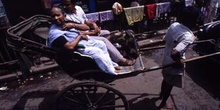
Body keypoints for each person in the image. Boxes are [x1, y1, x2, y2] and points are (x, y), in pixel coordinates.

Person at [47, 5, 121, 75]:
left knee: (101, 44)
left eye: (58, 15)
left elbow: (85, 27)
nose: (56, 18)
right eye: (53, 16)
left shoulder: (65, 25)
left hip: (82, 42)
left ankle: (111, 64)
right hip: (76, 49)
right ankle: (109, 71)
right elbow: (70, 47)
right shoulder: (55, 32)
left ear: (64, 16)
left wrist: (82, 32)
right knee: (97, 51)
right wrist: (80, 37)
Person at [60, 0, 136, 66]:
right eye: (63, 5)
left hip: (89, 31)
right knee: (104, 40)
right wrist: (92, 32)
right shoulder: (65, 16)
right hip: (83, 37)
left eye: (67, 5)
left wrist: (93, 24)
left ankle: (115, 55)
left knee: (107, 32)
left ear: (74, 4)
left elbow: (85, 21)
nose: (65, 7)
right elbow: (80, 31)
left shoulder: (79, 9)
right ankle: (121, 60)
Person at [157, 22, 195, 109]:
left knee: (166, 80)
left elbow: (165, 39)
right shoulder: (188, 37)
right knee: (169, 84)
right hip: (172, 63)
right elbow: (175, 52)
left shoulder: (174, 25)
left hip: (166, 59)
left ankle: (161, 94)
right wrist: (179, 61)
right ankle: (164, 102)